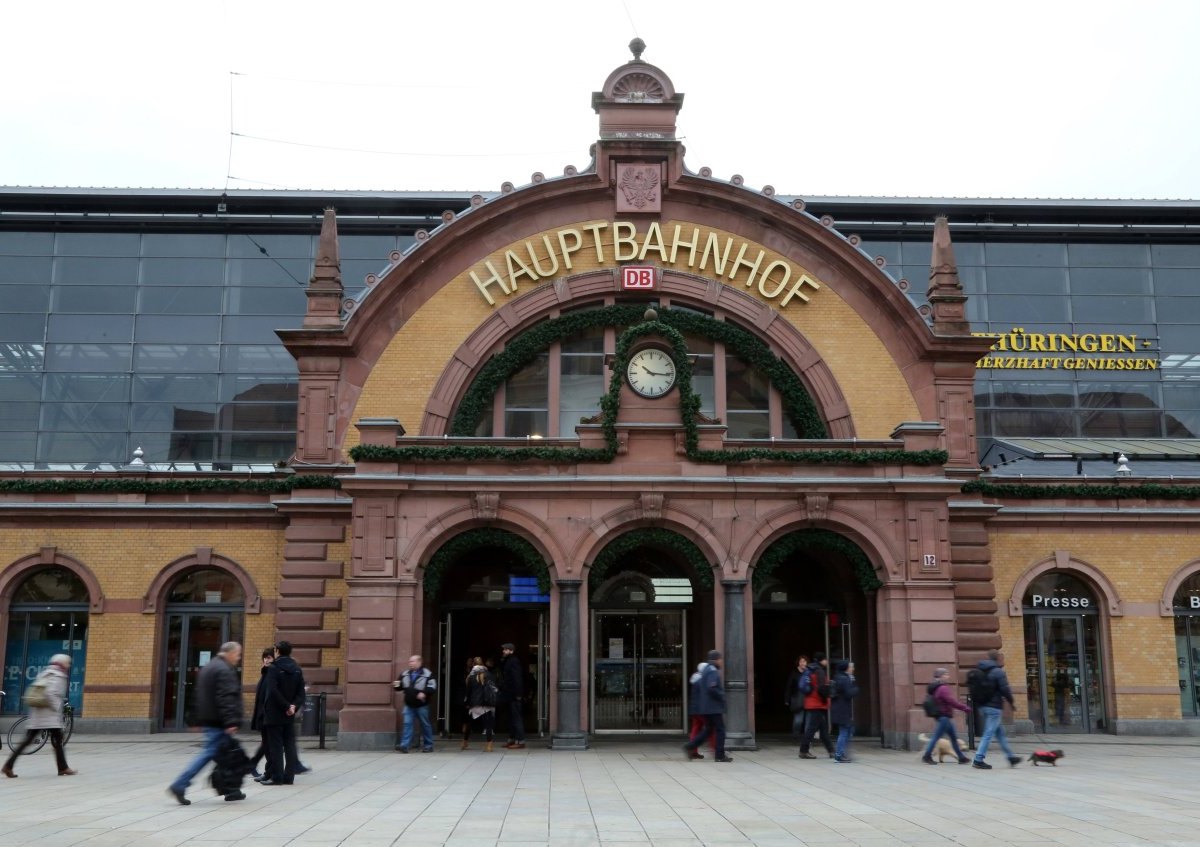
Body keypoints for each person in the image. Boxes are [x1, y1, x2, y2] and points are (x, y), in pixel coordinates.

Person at [168, 641, 245, 804]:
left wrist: (194, 719)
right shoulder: (223, 670)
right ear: (230, 653)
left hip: (211, 719)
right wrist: (231, 721)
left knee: (224, 756)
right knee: (210, 753)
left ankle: (232, 789)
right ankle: (180, 784)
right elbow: (227, 698)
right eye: (238, 654)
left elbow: (197, 696)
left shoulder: (209, 667)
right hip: (219, 721)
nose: (238, 658)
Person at [2, 654, 75, 778]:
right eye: (67, 663)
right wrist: (57, 707)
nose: (68, 666)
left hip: (38, 714)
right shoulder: (58, 676)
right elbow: (49, 693)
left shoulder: (45, 673)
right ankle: (63, 768)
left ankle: (8, 766)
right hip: (49, 715)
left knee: (34, 741)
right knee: (56, 740)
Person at [261, 640, 306, 785]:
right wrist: (293, 706)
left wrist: (286, 706)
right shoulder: (297, 669)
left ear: (278, 651)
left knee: (276, 746)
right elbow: (301, 693)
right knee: (289, 745)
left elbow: (273, 691)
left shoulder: (274, 668)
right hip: (290, 714)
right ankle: (289, 777)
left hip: (275, 712)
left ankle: (277, 777)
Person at [972, 649, 1021, 769]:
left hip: (983, 706)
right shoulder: (998, 672)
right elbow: (1005, 689)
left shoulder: (980, 670)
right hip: (994, 707)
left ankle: (1010, 757)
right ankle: (978, 759)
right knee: (988, 733)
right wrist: (1011, 703)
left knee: (1000, 734)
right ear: (998, 658)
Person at [682, 650, 732, 763]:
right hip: (713, 707)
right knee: (720, 730)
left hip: (706, 707)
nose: (721, 661)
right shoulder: (712, 670)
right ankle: (720, 755)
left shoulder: (705, 670)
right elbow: (711, 687)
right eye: (720, 659)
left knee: (708, 730)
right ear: (716, 659)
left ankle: (690, 746)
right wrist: (722, 695)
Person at [921, 667, 971, 765]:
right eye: (946, 674)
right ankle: (927, 755)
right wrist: (964, 708)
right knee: (936, 737)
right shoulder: (942, 688)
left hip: (944, 716)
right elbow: (951, 701)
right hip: (944, 716)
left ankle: (961, 757)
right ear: (941, 676)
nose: (948, 676)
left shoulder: (936, 687)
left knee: (953, 738)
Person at [395, 654, 437, 753]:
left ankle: (428, 745)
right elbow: (399, 685)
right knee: (407, 724)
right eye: (410, 661)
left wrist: (424, 692)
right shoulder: (404, 673)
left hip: (422, 705)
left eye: (412, 661)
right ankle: (404, 746)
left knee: (425, 725)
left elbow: (433, 687)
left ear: (419, 662)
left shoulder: (427, 674)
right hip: (409, 704)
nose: (410, 663)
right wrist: (395, 685)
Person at [799, 652, 834, 759]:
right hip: (817, 704)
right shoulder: (819, 671)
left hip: (812, 703)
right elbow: (822, 688)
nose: (827, 661)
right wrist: (826, 698)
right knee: (811, 729)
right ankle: (803, 751)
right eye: (825, 659)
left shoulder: (811, 670)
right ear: (821, 660)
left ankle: (831, 751)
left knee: (822, 730)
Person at [247, 646, 275, 778]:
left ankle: (255, 765)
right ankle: (262, 768)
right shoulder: (266, 673)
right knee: (268, 743)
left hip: (265, 714)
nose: (266, 660)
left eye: (269, 657)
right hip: (264, 714)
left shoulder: (269, 673)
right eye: (265, 657)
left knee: (267, 743)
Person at [462, 656, 497, 751]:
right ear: (483, 664)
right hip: (488, 703)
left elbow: (468, 692)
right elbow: (495, 688)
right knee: (488, 725)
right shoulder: (489, 674)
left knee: (469, 723)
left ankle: (465, 742)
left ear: (473, 664)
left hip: (475, 704)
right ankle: (489, 745)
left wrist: (467, 703)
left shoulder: (471, 676)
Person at [497, 642, 526, 749]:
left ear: (511, 651)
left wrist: (518, 694)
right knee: (510, 718)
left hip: (514, 695)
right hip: (509, 695)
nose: (503, 651)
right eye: (503, 649)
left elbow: (517, 678)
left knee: (516, 718)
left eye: (505, 649)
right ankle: (512, 739)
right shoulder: (508, 660)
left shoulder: (514, 661)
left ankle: (520, 741)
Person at [830, 659, 859, 763]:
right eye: (850, 667)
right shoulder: (844, 679)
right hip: (842, 709)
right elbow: (848, 693)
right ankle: (839, 754)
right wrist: (855, 688)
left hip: (839, 708)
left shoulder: (838, 677)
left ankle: (841, 753)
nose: (852, 668)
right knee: (844, 732)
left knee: (848, 730)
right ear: (846, 668)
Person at [686, 661, 717, 757]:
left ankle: (693, 750)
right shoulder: (702, 680)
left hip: (695, 709)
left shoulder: (695, 679)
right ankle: (716, 750)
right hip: (702, 709)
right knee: (710, 729)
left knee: (696, 729)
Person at [784, 655, 809, 743]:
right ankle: (796, 735)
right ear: (798, 663)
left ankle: (807, 738)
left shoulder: (809, 673)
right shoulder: (794, 673)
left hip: (808, 699)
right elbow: (789, 687)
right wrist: (787, 699)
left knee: (808, 721)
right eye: (801, 661)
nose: (803, 663)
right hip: (797, 699)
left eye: (804, 661)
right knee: (798, 720)